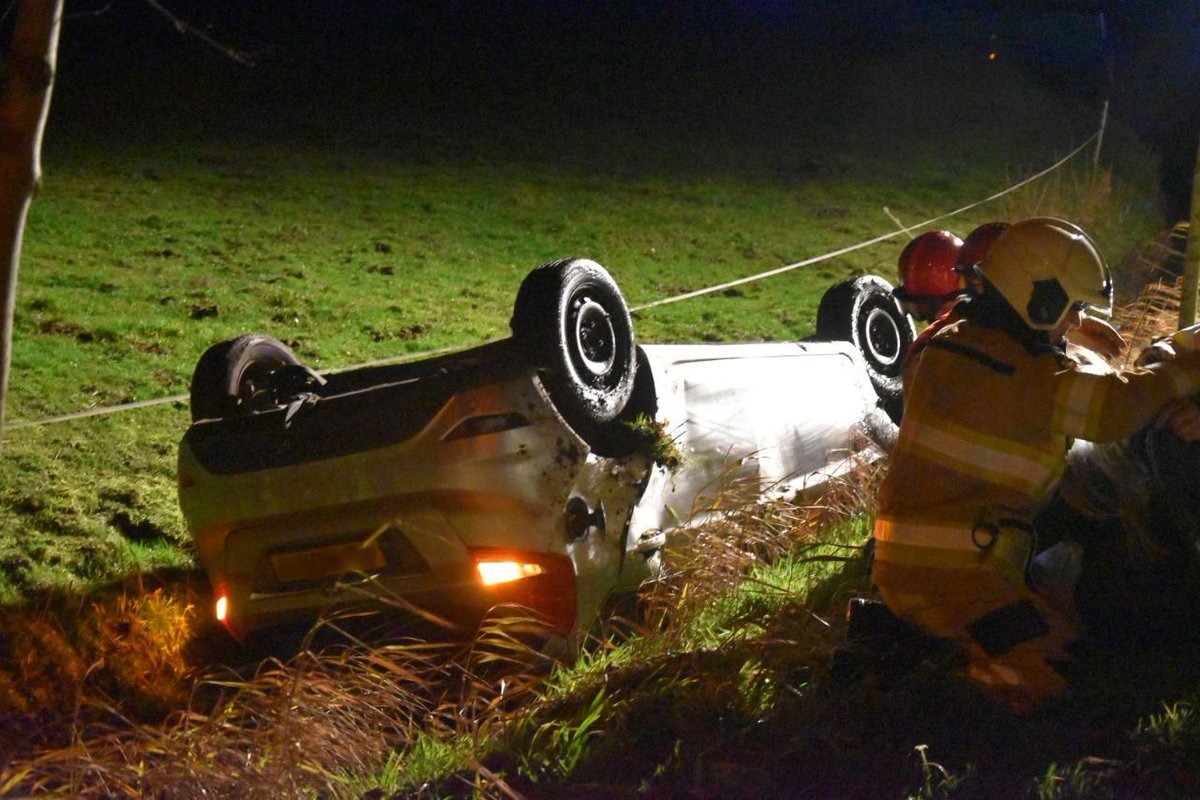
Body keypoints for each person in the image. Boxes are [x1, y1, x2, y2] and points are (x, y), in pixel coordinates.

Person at [870, 217, 1200, 710]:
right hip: (962, 582)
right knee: (1062, 677)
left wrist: (1070, 331)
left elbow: (990, 337)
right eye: (1073, 308)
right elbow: (1114, 408)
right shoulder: (1024, 377)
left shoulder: (947, 346)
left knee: (1066, 623)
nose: (1074, 321)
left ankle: (916, 637)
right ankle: (942, 664)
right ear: (1038, 301)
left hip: (914, 568)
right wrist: (1184, 370)